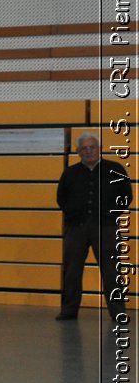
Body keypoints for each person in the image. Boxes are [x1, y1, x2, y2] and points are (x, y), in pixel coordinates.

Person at [56, 132, 132, 321]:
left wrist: (110, 214)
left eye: (92, 147)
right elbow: (61, 199)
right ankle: (69, 310)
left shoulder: (115, 169)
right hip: (76, 228)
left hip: (105, 228)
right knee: (72, 271)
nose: (88, 151)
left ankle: (118, 311)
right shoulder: (70, 173)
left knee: (111, 271)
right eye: (84, 148)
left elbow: (126, 196)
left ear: (100, 148)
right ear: (78, 151)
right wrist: (73, 215)